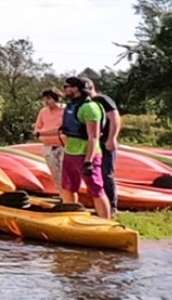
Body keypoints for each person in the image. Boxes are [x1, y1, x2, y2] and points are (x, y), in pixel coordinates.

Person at [59, 76, 108, 217]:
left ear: (75, 89)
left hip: (86, 155)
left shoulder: (90, 108)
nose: (64, 89)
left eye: (66, 86)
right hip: (70, 153)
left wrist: (88, 161)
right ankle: (70, 218)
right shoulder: (71, 107)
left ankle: (107, 223)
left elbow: (94, 136)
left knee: (96, 190)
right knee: (68, 188)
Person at [87, 78, 122, 214]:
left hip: (105, 141)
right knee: (95, 173)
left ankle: (112, 206)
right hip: (94, 142)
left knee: (106, 173)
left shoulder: (102, 99)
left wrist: (111, 138)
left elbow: (115, 118)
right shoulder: (87, 103)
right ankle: (100, 204)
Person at [34, 88, 66, 189]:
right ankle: (62, 196)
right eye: (45, 99)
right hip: (48, 146)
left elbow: (62, 129)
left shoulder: (65, 110)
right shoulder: (43, 112)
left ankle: (69, 196)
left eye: (49, 98)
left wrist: (43, 133)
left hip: (63, 145)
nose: (46, 102)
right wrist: (41, 134)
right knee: (55, 174)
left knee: (64, 172)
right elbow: (37, 128)